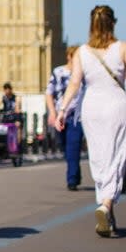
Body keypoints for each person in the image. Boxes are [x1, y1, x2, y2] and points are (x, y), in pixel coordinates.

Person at [55, 4, 126, 238]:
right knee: (116, 156)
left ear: (91, 25)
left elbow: (74, 84)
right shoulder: (124, 47)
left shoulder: (81, 52)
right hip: (117, 104)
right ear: (113, 23)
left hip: (91, 107)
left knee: (99, 158)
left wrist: (62, 110)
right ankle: (106, 204)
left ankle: (107, 211)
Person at [46, 45, 84, 190]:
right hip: (59, 116)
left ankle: (72, 180)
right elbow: (49, 92)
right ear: (69, 56)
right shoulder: (58, 72)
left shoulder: (83, 74)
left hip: (76, 117)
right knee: (64, 147)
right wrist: (52, 112)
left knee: (73, 147)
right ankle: (75, 171)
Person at [0, 82, 22, 155]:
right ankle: (3, 148)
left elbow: (17, 106)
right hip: (6, 118)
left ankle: (18, 148)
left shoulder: (16, 98)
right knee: (2, 131)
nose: (6, 92)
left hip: (15, 117)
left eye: (8, 90)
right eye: (5, 90)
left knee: (18, 128)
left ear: (10, 90)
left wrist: (17, 112)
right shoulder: (3, 97)